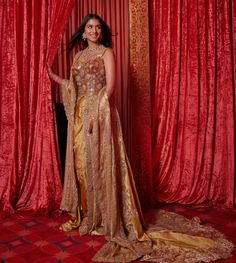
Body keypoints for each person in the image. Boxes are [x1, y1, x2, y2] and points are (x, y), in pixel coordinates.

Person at [48, 14, 234, 262]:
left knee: (102, 163)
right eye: (90, 27)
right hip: (80, 114)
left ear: (102, 33)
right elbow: (74, 87)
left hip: (100, 113)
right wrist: (58, 79)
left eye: (98, 27)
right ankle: (86, 215)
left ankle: (107, 217)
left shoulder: (106, 54)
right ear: (83, 33)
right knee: (83, 165)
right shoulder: (79, 56)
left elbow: (110, 87)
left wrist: (96, 115)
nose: (94, 30)